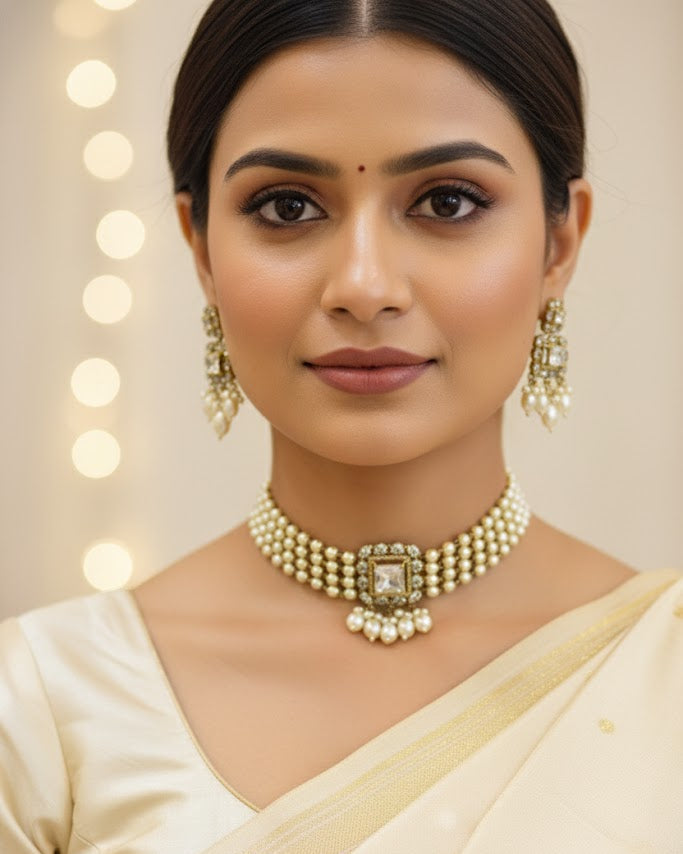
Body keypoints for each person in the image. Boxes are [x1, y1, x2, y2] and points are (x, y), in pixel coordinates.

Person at [1, 0, 681, 851]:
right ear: (201, 246)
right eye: (287, 207)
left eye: (447, 201)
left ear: (558, 243)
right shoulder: (47, 709)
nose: (363, 285)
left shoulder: (663, 674)